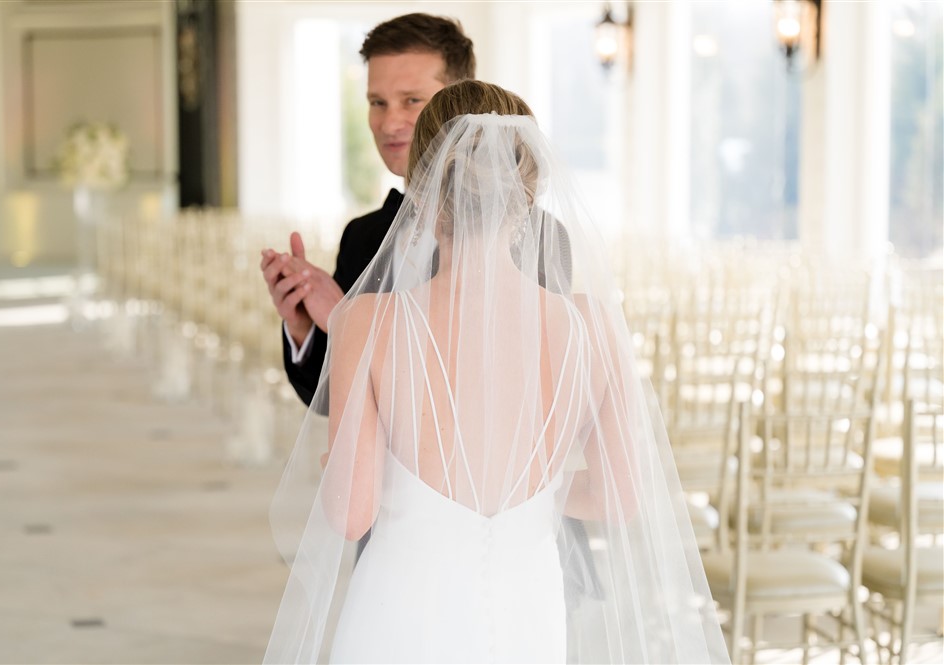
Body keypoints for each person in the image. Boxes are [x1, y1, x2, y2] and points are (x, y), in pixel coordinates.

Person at [264, 80, 729, 663]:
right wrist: (544, 493)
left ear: (426, 188)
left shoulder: (367, 320)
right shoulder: (592, 322)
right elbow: (620, 494)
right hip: (527, 605)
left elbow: (350, 514)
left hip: (401, 608)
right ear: (527, 189)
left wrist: (346, 466)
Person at [259, 13, 475, 407]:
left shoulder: (533, 237)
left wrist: (346, 321)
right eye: (378, 102)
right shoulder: (361, 236)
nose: (390, 122)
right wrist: (304, 328)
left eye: (412, 100)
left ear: (458, 103)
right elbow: (327, 403)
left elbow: (492, 392)